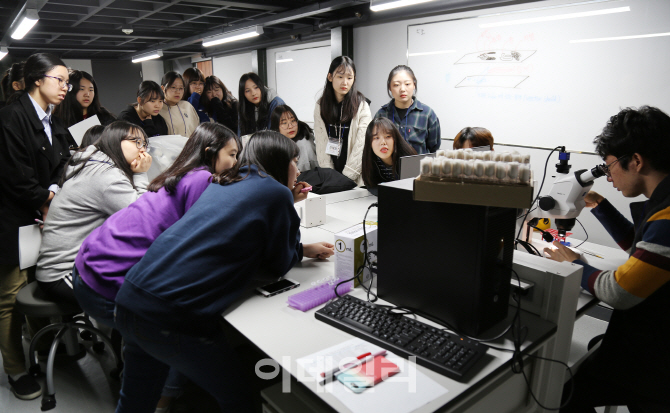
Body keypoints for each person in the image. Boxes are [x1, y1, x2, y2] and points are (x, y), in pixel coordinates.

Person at [113, 131, 334, 413]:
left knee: (135, 400)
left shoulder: (225, 181)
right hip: (170, 316)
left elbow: (240, 242)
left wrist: (301, 246)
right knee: (240, 397)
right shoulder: (277, 193)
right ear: (279, 161)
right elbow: (278, 265)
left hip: (131, 296)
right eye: (294, 160)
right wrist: (288, 207)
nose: (299, 168)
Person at [73, 122, 239, 412]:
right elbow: (206, 243)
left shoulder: (182, 173)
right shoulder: (202, 180)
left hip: (90, 266)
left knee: (146, 360)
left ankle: (158, 401)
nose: (235, 163)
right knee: (182, 336)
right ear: (211, 152)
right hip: (107, 279)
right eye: (232, 154)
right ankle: (166, 399)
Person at [543, 106, 670, 412]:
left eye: (609, 166)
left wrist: (575, 264)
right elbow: (642, 247)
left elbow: (618, 293)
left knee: (562, 395)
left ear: (636, 161)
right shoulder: (663, 201)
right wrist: (599, 204)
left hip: (658, 360)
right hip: (654, 337)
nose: (608, 175)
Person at [0, 52, 75, 401]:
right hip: (12, 220)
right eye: (59, 79)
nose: (66, 87)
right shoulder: (11, 117)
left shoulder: (51, 119)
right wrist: (47, 199)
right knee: (11, 297)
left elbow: (65, 161)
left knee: (36, 284)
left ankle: (42, 348)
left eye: (67, 81)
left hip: (42, 215)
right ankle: (15, 369)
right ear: (36, 80)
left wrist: (56, 192)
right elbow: (15, 176)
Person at [35, 120, 151, 306]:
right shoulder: (106, 175)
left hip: (71, 265)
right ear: (115, 141)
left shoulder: (96, 164)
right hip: (62, 274)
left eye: (145, 143)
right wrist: (141, 173)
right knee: (142, 294)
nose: (143, 149)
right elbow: (141, 218)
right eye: (136, 142)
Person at [314, 56, 371, 186]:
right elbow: (321, 142)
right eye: (340, 77)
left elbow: (362, 143)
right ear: (330, 77)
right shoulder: (320, 106)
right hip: (330, 177)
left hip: (356, 176)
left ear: (354, 79)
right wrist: (330, 175)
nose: (345, 82)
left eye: (349, 78)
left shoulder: (362, 105)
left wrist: (347, 176)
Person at [375, 65, 441, 154]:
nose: (402, 89)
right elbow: (375, 145)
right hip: (388, 168)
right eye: (396, 85)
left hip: (418, 167)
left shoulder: (427, 114)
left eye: (407, 84)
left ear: (414, 85)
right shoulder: (381, 115)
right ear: (389, 87)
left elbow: (434, 148)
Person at [361, 117, 417, 192]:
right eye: (376, 138)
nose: (383, 142)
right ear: (369, 143)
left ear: (395, 139)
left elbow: (414, 189)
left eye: (388, 137)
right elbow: (371, 185)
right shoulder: (370, 160)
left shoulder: (408, 158)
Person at [270, 104, 318, 172]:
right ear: (276, 127)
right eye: (284, 123)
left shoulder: (303, 143)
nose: (290, 126)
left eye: (293, 121)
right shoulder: (273, 143)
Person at [237, 72, 284, 136]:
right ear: (243, 94)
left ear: (261, 87)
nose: (253, 93)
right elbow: (241, 136)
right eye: (248, 91)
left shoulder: (276, 104)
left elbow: (277, 135)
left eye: (256, 87)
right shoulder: (243, 107)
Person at [158, 71, 199, 137]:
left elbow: (197, 129)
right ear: (163, 88)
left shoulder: (188, 106)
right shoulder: (158, 109)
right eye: (173, 87)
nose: (178, 92)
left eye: (181, 88)